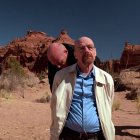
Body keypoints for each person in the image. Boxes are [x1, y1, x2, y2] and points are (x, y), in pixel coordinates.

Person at [50, 36, 115, 140]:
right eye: (82, 48)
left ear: (95, 52)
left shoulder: (107, 79)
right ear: (75, 54)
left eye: (90, 47)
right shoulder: (61, 76)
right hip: (68, 135)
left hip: (96, 136)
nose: (87, 50)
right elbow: (55, 105)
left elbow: (108, 105)